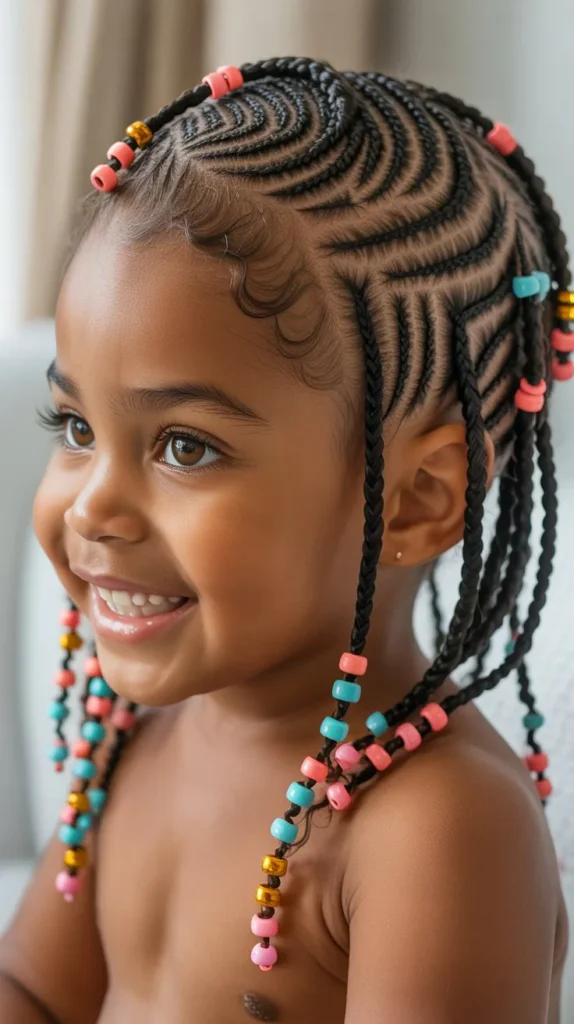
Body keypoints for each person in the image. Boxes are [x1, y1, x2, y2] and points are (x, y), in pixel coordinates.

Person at [0, 57, 570, 1023]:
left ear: (420, 501)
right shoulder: (128, 739)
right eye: (78, 429)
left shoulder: (433, 829)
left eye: (184, 445)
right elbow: (34, 992)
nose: (93, 507)